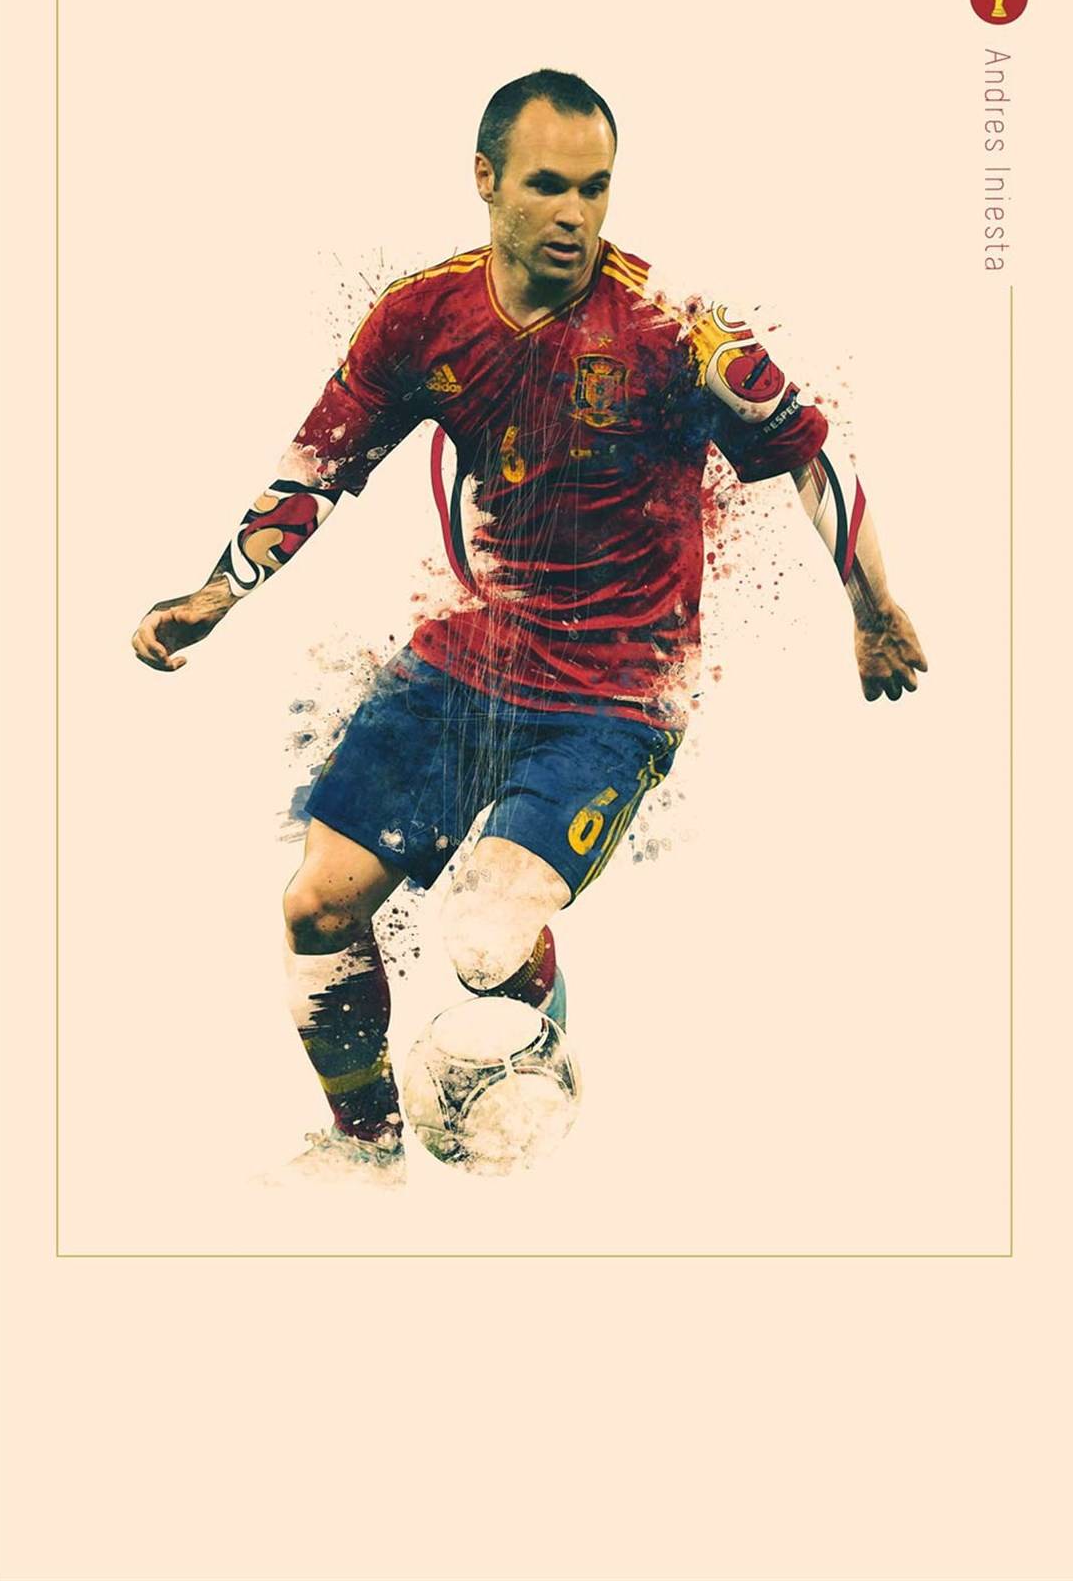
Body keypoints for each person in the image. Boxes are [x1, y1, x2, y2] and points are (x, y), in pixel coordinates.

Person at [131, 69, 927, 1178]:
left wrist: (874, 609)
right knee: (316, 906)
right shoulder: (423, 317)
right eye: (549, 185)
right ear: (486, 180)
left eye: (595, 188)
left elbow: (808, 452)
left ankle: (531, 1073)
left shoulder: (673, 327)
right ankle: (364, 1151)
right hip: (469, 657)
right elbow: (318, 467)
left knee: (480, 932)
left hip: (617, 690)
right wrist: (215, 595)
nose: (575, 214)